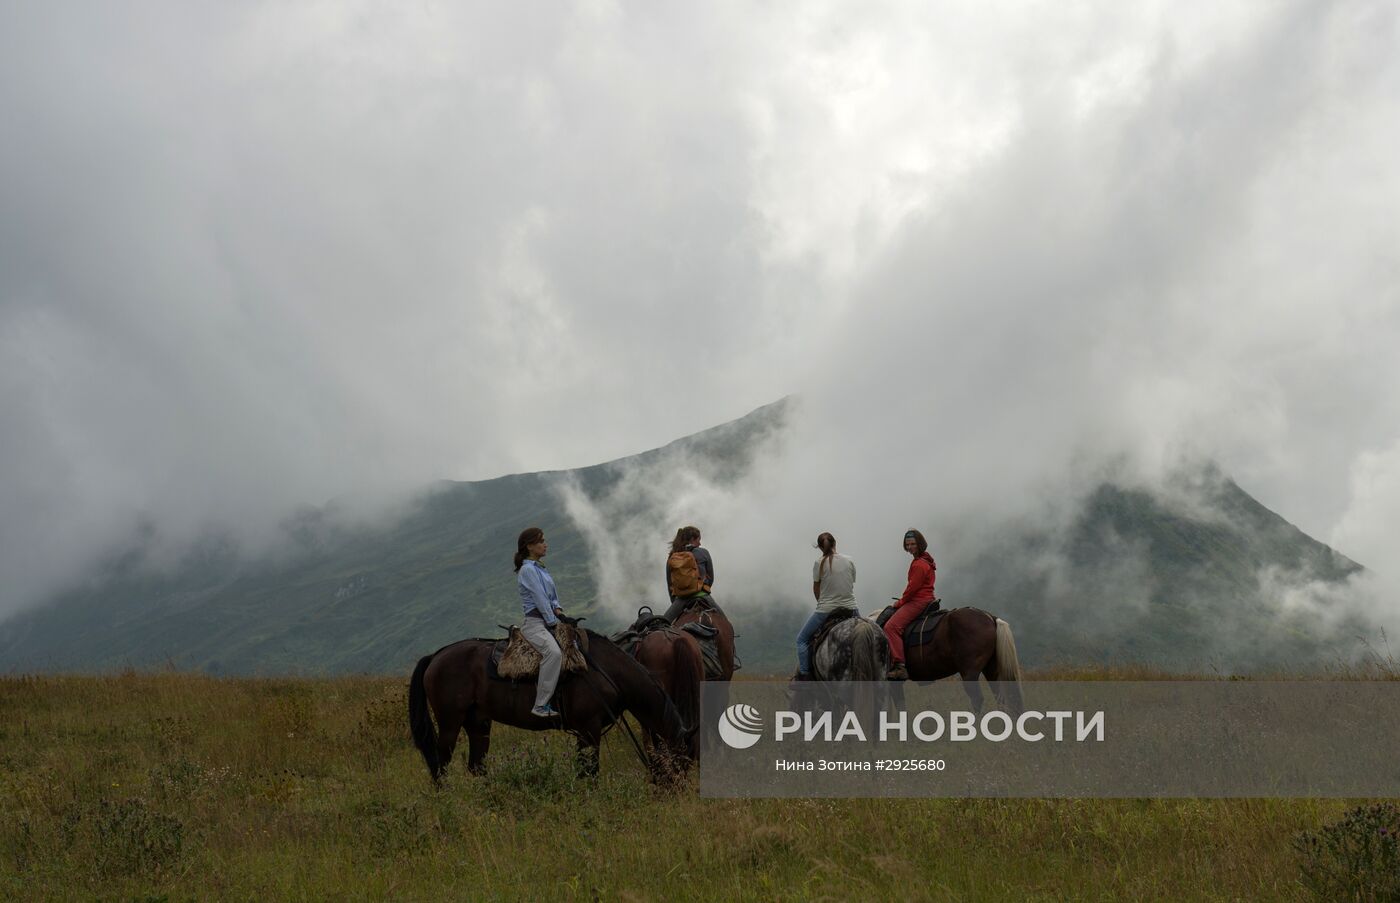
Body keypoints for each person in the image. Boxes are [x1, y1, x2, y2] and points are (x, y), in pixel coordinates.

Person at [792, 532, 858, 682]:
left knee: (801, 640)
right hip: (851, 608)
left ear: (820, 548)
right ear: (835, 544)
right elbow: (851, 582)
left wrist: (822, 601)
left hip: (826, 610)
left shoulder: (818, 563)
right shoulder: (849, 560)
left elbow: (816, 588)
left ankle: (805, 675)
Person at [514, 526, 565, 718]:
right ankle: (541, 704)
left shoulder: (541, 569)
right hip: (535, 624)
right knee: (553, 653)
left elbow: (551, 598)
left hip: (548, 620)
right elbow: (540, 599)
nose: (546, 544)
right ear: (529, 546)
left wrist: (561, 613)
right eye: (541, 541)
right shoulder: (528, 570)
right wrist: (553, 621)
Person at [883, 528, 936, 681]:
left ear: (919, 543)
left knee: (891, 627)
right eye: (907, 544)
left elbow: (912, 588)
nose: (910, 547)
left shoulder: (919, 564)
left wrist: (900, 602)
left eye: (913, 543)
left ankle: (899, 665)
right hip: (927, 598)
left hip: (918, 601)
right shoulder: (927, 559)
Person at [662, 525, 712, 622]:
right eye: (698, 540)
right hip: (702, 595)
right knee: (726, 625)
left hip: (681, 599)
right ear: (692, 539)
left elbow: (670, 584)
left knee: (663, 625)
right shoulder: (703, 552)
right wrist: (703, 590)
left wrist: (675, 602)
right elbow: (711, 578)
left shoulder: (672, 556)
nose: (700, 543)